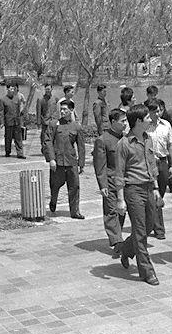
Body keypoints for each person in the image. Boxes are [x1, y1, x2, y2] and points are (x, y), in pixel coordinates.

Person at [115, 104, 162, 286]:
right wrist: (120, 199)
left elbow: (152, 165)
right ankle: (147, 272)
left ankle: (126, 249)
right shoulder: (124, 144)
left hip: (149, 188)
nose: (151, 120)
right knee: (140, 231)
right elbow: (119, 174)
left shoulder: (148, 139)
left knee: (149, 226)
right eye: (148, 118)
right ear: (139, 121)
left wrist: (156, 188)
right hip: (133, 190)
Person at [93, 109, 128, 254]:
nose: (125, 124)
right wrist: (103, 185)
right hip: (111, 182)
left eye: (126, 120)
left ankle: (117, 237)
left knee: (121, 211)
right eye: (123, 121)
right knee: (111, 212)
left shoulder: (125, 139)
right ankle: (117, 242)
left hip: (125, 182)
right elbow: (100, 165)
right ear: (113, 122)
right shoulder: (103, 140)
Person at [44, 99, 86, 219]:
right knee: (55, 185)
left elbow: (81, 146)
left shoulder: (76, 126)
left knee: (74, 187)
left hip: (71, 161)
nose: (62, 111)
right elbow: (48, 142)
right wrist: (51, 159)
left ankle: (75, 211)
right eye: (61, 109)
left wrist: (81, 163)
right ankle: (53, 201)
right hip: (57, 162)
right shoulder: (53, 124)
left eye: (65, 109)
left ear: (71, 110)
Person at [145, 99, 172, 240]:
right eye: (154, 111)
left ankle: (150, 222)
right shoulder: (144, 126)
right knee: (153, 195)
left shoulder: (166, 125)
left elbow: (171, 145)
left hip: (162, 162)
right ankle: (159, 229)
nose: (157, 114)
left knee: (160, 194)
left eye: (159, 110)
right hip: (148, 164)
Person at [0, 84, 26, 158]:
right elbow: (1, 112)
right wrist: (1, 122)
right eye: (11, 89)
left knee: (18, 138)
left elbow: (19, 110)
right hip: (8, 121)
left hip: (16, 121)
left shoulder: (17, 98)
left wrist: (21, 121)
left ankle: (20, 153)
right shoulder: (2, 100)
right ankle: (7, 151)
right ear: (7, 90)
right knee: (8, 138)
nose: (12, 91)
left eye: (13, 89)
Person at [35, 83, 54, 155]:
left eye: (49, 89)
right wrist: (38, 122)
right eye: (46, 89)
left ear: (52, 89)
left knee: (52, 136)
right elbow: (38, 112)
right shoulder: (40, 99)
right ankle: (44, 149)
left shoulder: (55, 98)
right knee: (44, 136)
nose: (47, 91)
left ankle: (51, 150)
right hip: (45, 121)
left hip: (53, 121)